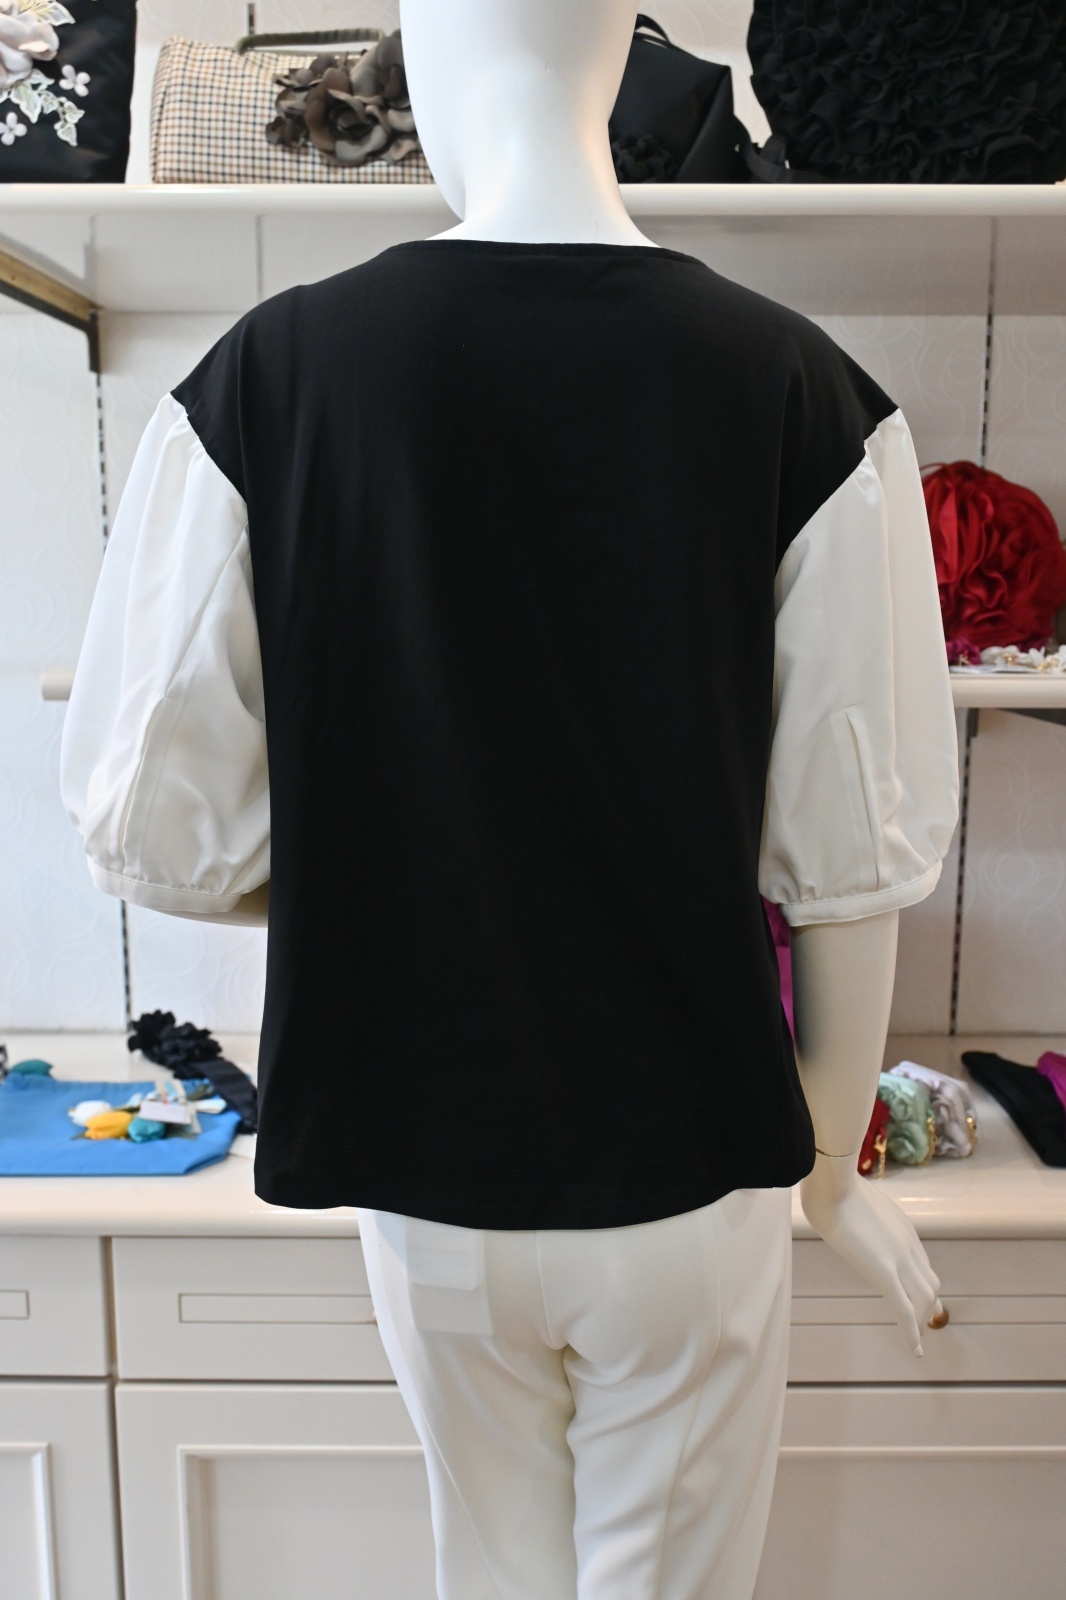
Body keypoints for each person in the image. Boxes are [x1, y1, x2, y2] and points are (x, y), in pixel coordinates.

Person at [60, 2, 959, 1594]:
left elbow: (162, 833)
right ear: (620, 47)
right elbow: (848, 857)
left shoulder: (265, 378)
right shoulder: (801, 392)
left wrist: (389, 838)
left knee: (488, 1573)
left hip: (421, 1164)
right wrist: (827, 1170)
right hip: (689, 1163)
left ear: (421, 46)